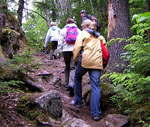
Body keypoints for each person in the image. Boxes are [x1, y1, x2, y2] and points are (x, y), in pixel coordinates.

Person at [72, 20, 107, 121]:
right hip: (97, 63)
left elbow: (77, 48)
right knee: (95, 87)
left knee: (77, 77)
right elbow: (105, 51)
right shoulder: (100, 37)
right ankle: (96, 113)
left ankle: (78, 102)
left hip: (85, 61)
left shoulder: (83, 33)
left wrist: (75, 59)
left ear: (86, 26)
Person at [60, 18, 81, 93]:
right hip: (75, 50)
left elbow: (60, 41)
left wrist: (59, 50)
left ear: (66, 23)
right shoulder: (78, 30)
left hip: (65, 50)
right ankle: (71, 83)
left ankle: (67, 83)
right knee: (73, 67)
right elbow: (81, 40)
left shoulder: (63, 30)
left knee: (67, 66)